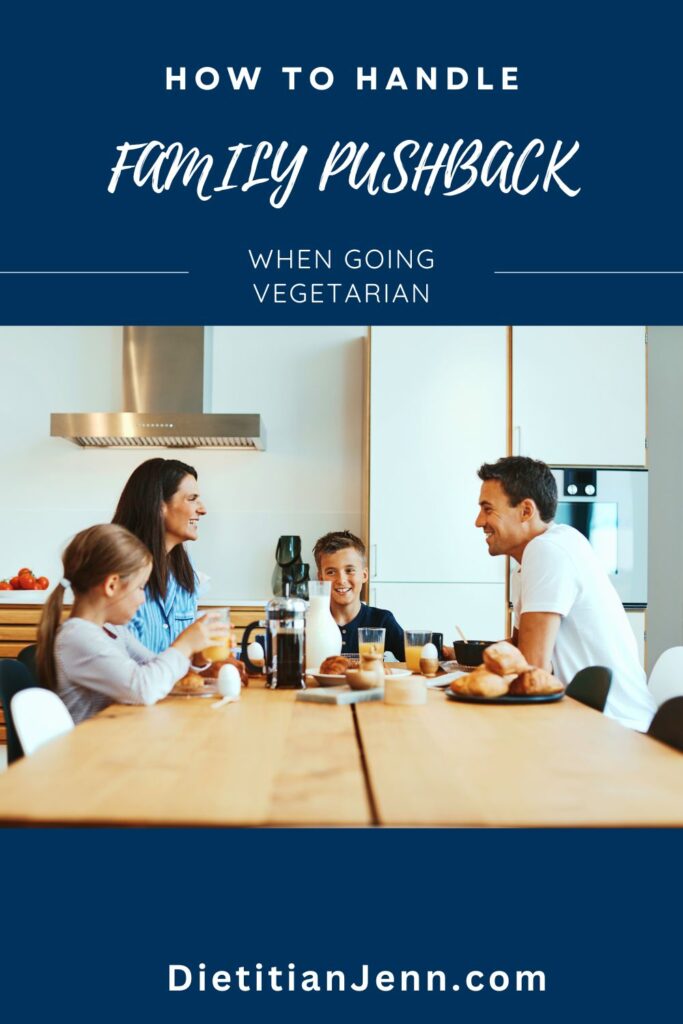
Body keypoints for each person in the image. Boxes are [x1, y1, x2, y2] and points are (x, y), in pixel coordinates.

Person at [475, 456, 655, 731]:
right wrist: (459, 657)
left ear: (525, 511)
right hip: (586, 721)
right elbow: (519, 646)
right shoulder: (537, 557)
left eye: (488, 509)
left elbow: (532, 668)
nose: (479, 521)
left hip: (618, 730)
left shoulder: (547, 551)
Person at [36, 524, 225, 724]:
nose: (143, 599)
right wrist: (184, 644)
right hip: (90, 750)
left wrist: (195, 658)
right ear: (111, 585)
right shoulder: (77, 637)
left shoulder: (112, 631)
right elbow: (143, 688)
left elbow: (158, 672)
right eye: (140, 587)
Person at [112, 458, 206, 652]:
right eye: (191, 499)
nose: (202, 509)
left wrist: (204, 664)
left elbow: (186, 657)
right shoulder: (119, 569)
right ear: (159, 505)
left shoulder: (185, 571)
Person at [313, 530, 405, 660]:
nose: (341, 580)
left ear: (364, 575)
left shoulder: (382, 620)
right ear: (320, 579)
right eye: (331, 572)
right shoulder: (307, 624)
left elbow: (416, 660)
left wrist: (436, 653)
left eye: (349, 570)